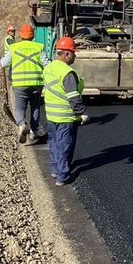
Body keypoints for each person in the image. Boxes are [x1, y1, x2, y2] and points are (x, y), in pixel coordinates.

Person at [43, 36, 88, 186]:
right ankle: (62, 176)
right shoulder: (67, 73)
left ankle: (55, 169)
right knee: (65, 145)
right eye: (74, 53)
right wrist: (82, 113)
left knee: (54, 143)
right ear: (67, 54)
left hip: (51, 115)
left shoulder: (48, 68)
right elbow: (73, 97)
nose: (75, 56)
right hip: (66, 117)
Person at [0, 24, 46, 143]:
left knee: (20, 107)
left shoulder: (14, 47)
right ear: (32, 36)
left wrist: (0, 59)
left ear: (21, 35)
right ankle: (34, 131)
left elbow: (4, 63)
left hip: (19, 84)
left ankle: (21, 125)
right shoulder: (39, 47)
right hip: (36, 83)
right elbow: (46, 63)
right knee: (35, 107)